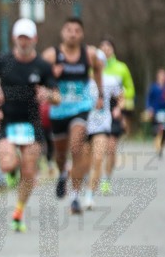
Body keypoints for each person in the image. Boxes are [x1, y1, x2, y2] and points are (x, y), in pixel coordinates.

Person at [0, 19, 57, 232]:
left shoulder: (43, 66)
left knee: (29, 171)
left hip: (31, 122)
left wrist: (49, 95)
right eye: (20, 37)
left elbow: (58, 96)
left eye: (28, 38)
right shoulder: (2, 61)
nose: (24, 42)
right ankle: (11, 172)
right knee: (8, 164)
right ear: (14, 39)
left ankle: (18, 211)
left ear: (35, 39)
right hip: (7, 120)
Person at [41, 17, 105, 214]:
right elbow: (41, 77)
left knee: (77, 146)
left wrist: (100, 95)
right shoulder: (51, 55)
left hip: (81, 106)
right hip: (59, 108)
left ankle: (75, 197)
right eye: (68, 30)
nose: (72, 33)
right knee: (61, 153)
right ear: (62, 33)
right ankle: (62, 173)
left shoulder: (90, 53)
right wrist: (54, 75)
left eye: (77, 30)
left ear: (82, 34)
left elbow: (98, 71)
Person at [84, 51, 122, 209]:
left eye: (99, 61)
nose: (96, 63)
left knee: (98, 159)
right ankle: (78, 190)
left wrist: (118, 108)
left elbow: (121, 96)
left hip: (102, 125)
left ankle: (89, 195)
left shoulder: (111, 80)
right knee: (84, 163)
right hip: (84, 124)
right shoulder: (83, 81)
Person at [99, 38, 133, 193]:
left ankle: (106, 179)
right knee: (98, 148)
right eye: (103, 47)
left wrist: (122, 108)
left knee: (111, 148)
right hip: (98, 110)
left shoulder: (121, 68)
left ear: (113, 50)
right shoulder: (94, 67)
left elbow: (129, 89)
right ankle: (95, 175)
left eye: (108, 47)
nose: (106, 50)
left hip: (115, 109)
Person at [145, 69, 165, 158]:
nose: (163, 77)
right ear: (158, 76)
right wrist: (149, 108)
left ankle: (163, 144)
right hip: (156, 113)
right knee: (157, 131)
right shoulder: (154, 88)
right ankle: (158, 148)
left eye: (164, 75)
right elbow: (148, 99)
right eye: (161, 75)